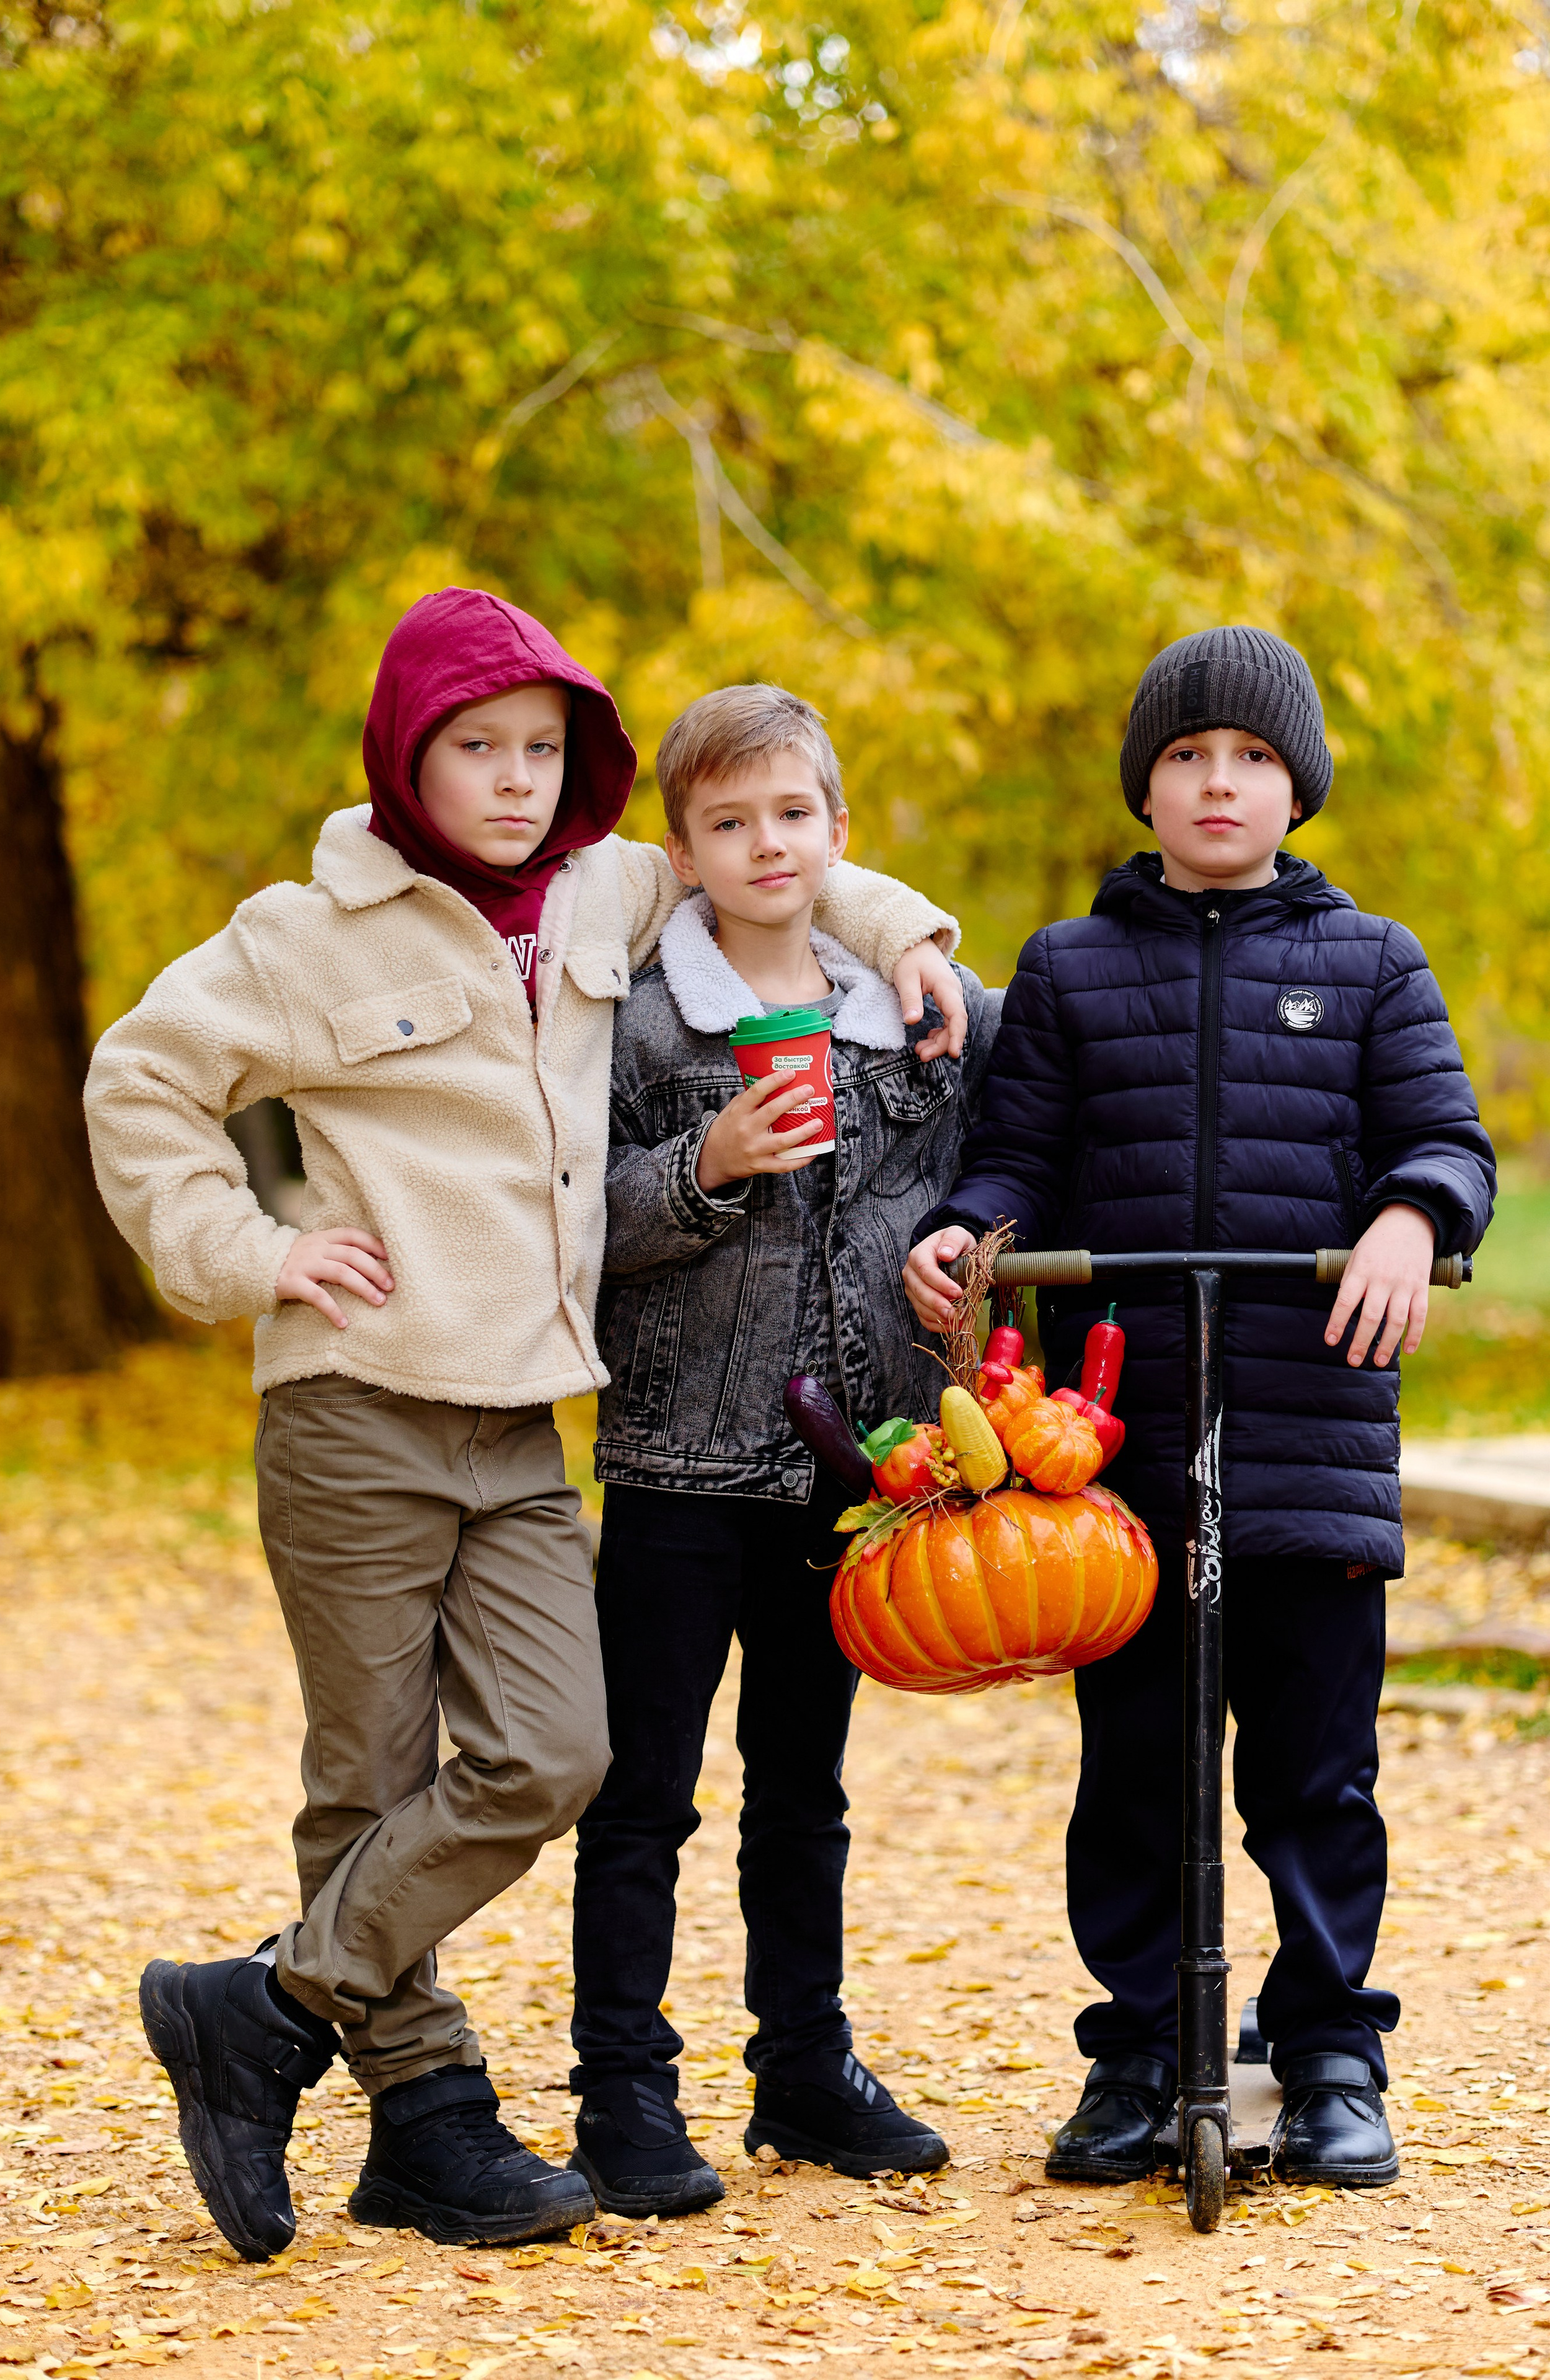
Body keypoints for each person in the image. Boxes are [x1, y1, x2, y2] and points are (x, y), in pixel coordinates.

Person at [82, 589, 968, 2262]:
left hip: (519, 1422)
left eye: (541, 752)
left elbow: (767, 853)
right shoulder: (300, 934)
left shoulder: (604, 893)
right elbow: (141, 1083)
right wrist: (253, 1251)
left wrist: (908, 930)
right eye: (475, 750)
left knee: (559, 1756)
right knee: (371, 1773)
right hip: (352, 1404)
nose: (509, 782)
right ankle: (423, 2116)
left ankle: (263, 2006)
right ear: (405, 760)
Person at [904, 625, 1495, 2189]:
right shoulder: (1070, 966)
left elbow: (1443, 1140)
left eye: (1246, 759)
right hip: (1117, 1444)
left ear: (1293, 787)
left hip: (1308, 1427)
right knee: (1136, 1764)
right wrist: (967, 1233)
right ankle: (1144, 2052)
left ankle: (1326, 2054)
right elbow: (1015, 1158)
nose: (1215, 783)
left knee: (1314, 1769)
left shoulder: (1371, 962)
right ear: (1142, 790)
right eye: (1183, 758)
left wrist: (1407, 1217)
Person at [565, 684, 1003, 2217]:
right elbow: (572, 1216)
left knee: (800, 1786)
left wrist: (965, 1242)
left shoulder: (918, 1013)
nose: (764, 844)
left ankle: (802, 2066)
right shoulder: (635, 1016)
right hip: (677, 1459)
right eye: (728, 822)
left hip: (854, 1472)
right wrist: (704, 1163)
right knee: (641, 1791)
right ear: (681, 852)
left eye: (791, 814)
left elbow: (1011, 1160)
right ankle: (621, 2086)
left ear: (838, 832)